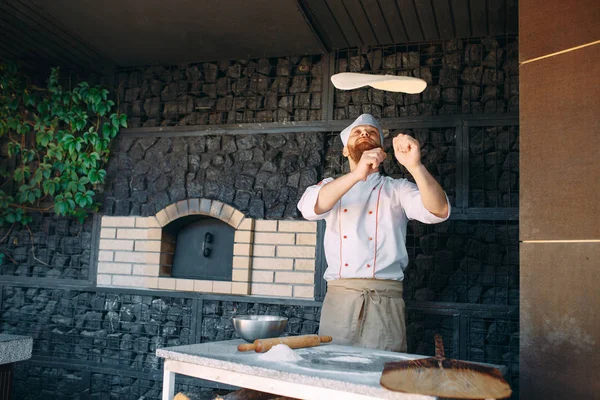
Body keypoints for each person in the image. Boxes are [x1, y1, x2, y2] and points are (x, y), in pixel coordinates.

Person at [297, 114, 450, 352]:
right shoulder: (329, 187)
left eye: (371, 132)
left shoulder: (397, 189)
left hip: (385, 302)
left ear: (381, 151)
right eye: (357, 132)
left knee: (383, 375)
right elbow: (309, 208)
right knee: (334, 374)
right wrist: (358, 174)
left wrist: (414, 166)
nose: (365, 134)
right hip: (339, 301)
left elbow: (439, 210)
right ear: (345, 152)